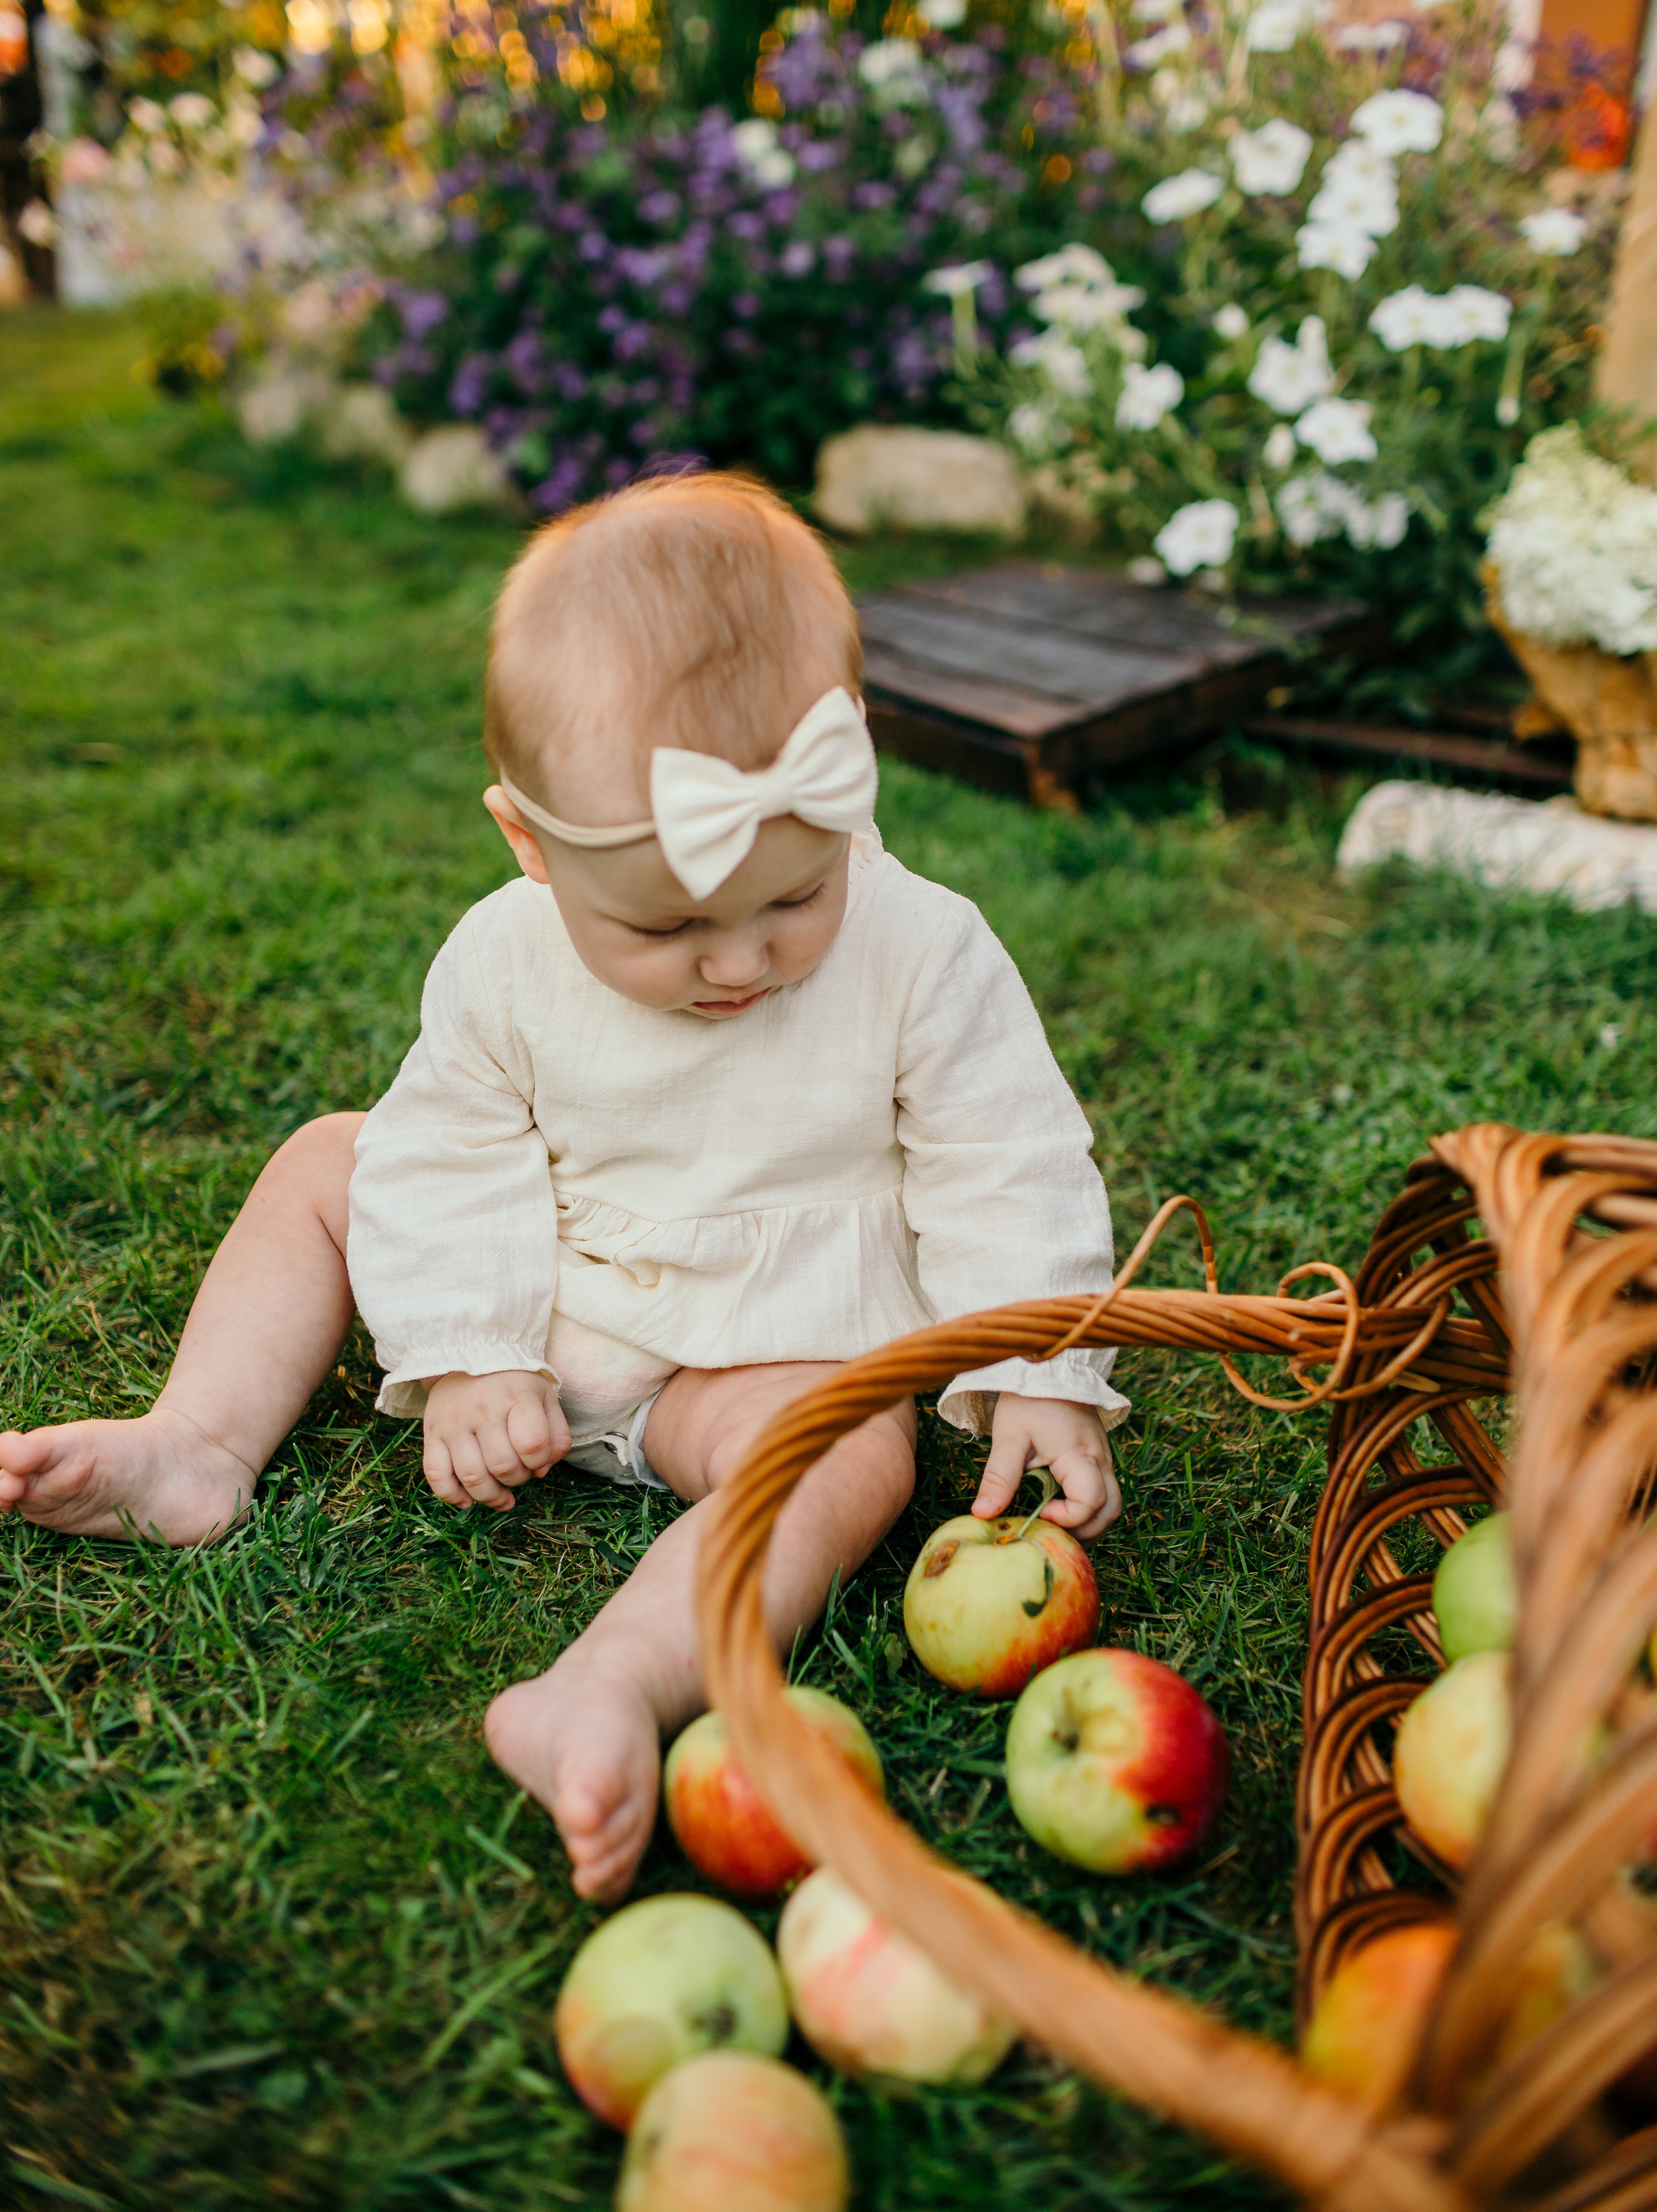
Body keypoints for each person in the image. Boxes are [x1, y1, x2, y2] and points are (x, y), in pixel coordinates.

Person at [0, 472, 1126, 1900]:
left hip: (762, 1352)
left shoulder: (922, 948)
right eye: (669, 924)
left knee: (851, 1454)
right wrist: (468, 1347)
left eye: (792, 898)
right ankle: (200, 1444)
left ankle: (609, 1684)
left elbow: (1004, 1157)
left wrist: (1036, 1366)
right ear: (528, 845)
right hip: (545, 1284)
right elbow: (447, 1148)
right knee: (329, 1158)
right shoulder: (500, 957)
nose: (739, 963)